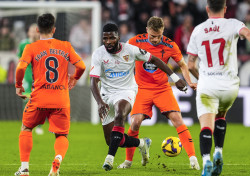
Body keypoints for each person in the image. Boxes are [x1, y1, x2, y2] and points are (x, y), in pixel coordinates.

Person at [186, 0, 250, 175]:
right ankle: (219, 151)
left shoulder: (198, 30)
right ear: (225, 9)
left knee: (206, 125)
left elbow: (190, 65)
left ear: (207, 9)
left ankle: (206, 160)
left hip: (208, 86)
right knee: (221, 115)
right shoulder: (233, 24)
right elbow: (249, 34)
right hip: (229, 86)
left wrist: (202, 78)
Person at [90, 23, 187, 171]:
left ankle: (109, 159)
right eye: (105, 38)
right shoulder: (98, 53)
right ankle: (142, 143)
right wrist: (100, 102)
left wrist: (174, 77)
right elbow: (93, 81)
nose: (108, 41)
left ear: (118, 37)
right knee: (112, 140)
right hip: (106, 95)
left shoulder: (131, 50)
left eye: (111, 38)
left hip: (126, 91)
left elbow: (154, 60)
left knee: (120, 112)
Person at [118, 16, 200, 170]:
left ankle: (193, 158)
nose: (155, 39)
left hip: (162, 88)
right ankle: (128, 161)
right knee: (135, 122)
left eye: (159, 36)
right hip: (142, 88)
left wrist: (188, 81)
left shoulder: (170, 45)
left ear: (163, 31)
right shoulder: (135, 41)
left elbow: (182, 64)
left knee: (177, 119)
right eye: (152, 36)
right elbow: (122, 58)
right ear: (147, 30)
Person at [14, 13, 86, 176]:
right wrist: (74, 78)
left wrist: (18, 86)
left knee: (26, 128)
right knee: (62, 134)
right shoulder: (65, 46)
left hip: (39, 98)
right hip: (61, 99)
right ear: (54, 29)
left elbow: (19, 68)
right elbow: (81, 65)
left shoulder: (30, 47)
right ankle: (57, 161)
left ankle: (24, 168)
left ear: (38, 29)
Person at [17, 23, 44, 135]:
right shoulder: (23, 44)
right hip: (27, 76)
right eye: (31, 31)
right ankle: (27, 123)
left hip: (40, 76)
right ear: (28, 32)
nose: (33, 33)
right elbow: (20, 60)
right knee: (27, 100)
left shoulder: (42, 44)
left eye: (35, 31)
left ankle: (39, 125)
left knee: (41, 102)